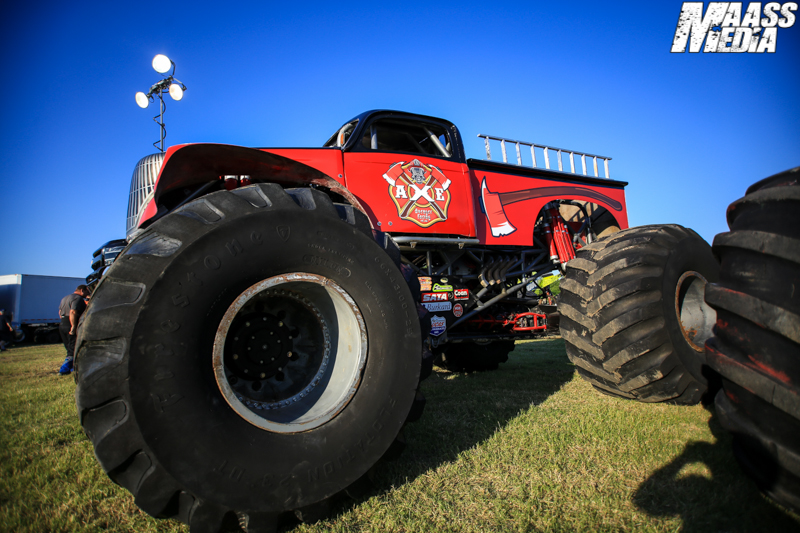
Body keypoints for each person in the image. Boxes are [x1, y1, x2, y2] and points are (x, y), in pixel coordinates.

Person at [57, 284, 90, 375]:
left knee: (69, 348)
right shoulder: (77, 298)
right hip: (71, 323)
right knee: (73, 348)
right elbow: (73, 311)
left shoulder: (65, 298)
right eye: (87, 292)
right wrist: (73, 326)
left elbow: (60, 312)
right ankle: (64, 370)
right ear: (82, 290)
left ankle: (73, 367)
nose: (87, 294)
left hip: (62, 323)